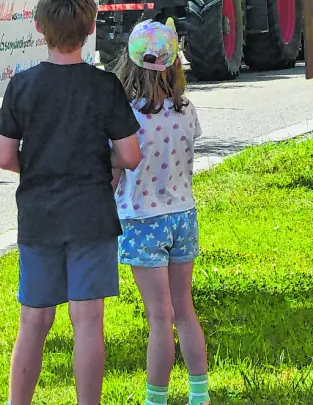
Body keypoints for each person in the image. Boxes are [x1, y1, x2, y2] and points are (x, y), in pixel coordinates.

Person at [0, 0, 143, 405]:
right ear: (90, 27)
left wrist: (42, 164)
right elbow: (130, 155)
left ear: (41, 27)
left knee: (34, 320)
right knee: (88, 321)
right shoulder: (104, 86)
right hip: (91, 216)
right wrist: (107, 165)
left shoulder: (21, 86)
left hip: (39, 217)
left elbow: (5, 157)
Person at [112, 21, 210, 405]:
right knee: (184, 309)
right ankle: (199, 395)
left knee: (158, 316)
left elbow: (116, 170)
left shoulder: (126, 115)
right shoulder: (186, 110)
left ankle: (156, 399)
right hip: (183, 216)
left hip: (141, 219)